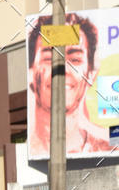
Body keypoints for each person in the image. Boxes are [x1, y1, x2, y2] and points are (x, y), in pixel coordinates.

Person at [28, 13, 112, 158]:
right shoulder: (25, 154)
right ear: (31, 72)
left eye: (75, 59)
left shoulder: (108, 149)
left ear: (91, 74)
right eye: (50, 59)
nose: (63, 69)